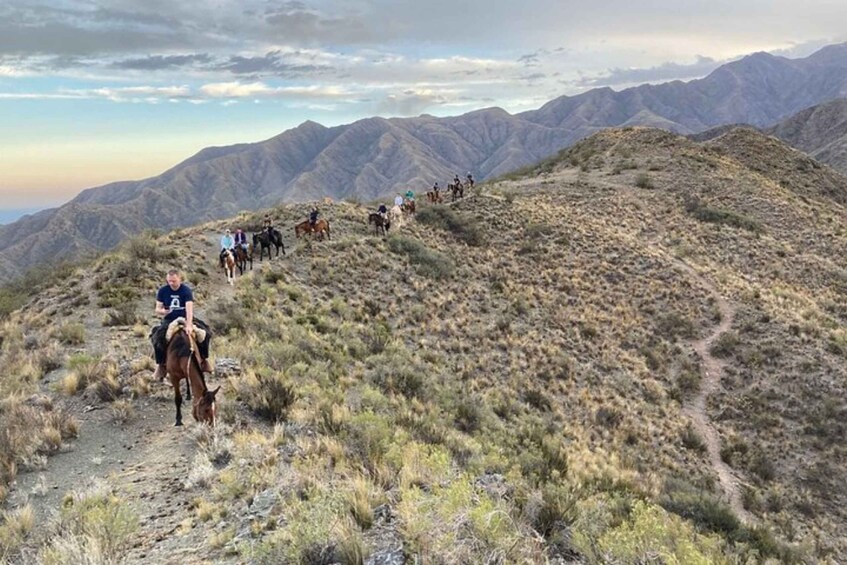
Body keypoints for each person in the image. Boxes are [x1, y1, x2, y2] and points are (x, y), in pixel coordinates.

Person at [150, 269, 213, 381]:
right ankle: (161, 364)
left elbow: (189, 310)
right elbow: (157, 309)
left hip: (185, 318)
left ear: (179, 279)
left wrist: (189, 325)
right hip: (169, 319)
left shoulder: (186, 291)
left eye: (173, 281)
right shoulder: (163, 291)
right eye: (169, 281)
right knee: (156, 337)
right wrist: (163, 312)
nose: (171, 283)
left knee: (206, 333)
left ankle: (204, 359)